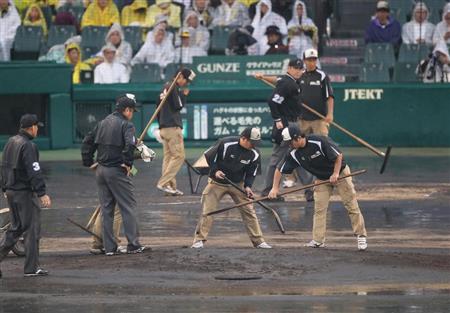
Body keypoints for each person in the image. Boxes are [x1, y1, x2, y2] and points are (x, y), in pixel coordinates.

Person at [268, 125, 368, 251]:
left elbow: (338, 156)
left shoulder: (319, 141)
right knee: (319, 209)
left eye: (290, 142)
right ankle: (318, 240)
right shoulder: (293, 153)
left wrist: (335, 174)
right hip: (321, 179)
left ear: (298, 138)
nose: (289, 145)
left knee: (351, 205)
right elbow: (279, 169)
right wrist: (274, 188)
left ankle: (361, 235)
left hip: (340, 173)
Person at [81, 94, 145, 255]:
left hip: (101, 170)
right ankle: (134, 245)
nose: (132, 115)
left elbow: (87, 141)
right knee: (128, 207)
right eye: (132, 111)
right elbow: (129, 145)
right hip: (116, 170)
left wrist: (89, 161)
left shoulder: (102, 123)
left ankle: (109, 248)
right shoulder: (126, 125)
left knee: (106, 209)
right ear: (127, 110)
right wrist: (128, 163)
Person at [191, 127, 272, 249]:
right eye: (252, 142)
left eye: (256, 143)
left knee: (249, 211)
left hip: (238, 183)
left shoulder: (255, 153)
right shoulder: (226, 143)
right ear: (243, 138)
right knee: (207, 210)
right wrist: (215, 171)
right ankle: (199, 240)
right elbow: (209, 156)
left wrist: (248, 186)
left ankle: (259, 241)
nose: (254, 146)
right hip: (216, 182)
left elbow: (251, 172)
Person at [0, 114, 52, 278]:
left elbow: (3, 166)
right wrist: (41, 192)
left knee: (16, 228)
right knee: (32, 230)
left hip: (10, 191)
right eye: (37, 126)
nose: (38, 129)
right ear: (32, 127)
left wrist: (3, 187)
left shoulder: (10, 142)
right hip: (24, 193)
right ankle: (31, 268)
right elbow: (34, 171)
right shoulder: (28, 145)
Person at [256, 58, 313, 202]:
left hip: (292, 122)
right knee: (278, 158)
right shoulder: (288, 83)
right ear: (289, 68)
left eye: (301, 69)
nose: (299, 71)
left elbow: (277, 79)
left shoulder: (287, 81)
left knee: (298, 155)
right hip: (287, 124)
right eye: (296, 68)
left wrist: (263, 76)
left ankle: (309, 190)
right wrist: (278, 120)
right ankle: (267, 192)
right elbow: (272, 101)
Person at [156, 68, 195, 196]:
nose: (186, 83)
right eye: (186, 80)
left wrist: (161, 125)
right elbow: (178, 106)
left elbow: (158, 107)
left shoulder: (165, 87)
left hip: (164, 127)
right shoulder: (173, 87)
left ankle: (169, 187)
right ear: (180, 77)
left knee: (168, 157)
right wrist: (184, 95)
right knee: (179, 156)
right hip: (172, 127)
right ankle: (163, 183)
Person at [299, 48, 334, 137]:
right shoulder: (300, 75)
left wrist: (330, 114)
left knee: (322, 144)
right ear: (304, 61)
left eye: (314, 60)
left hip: (319, 119)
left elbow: (329, 96)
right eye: (309, 60)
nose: (312, 63)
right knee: (301, 146)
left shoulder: (322, 76)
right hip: (302, 119)